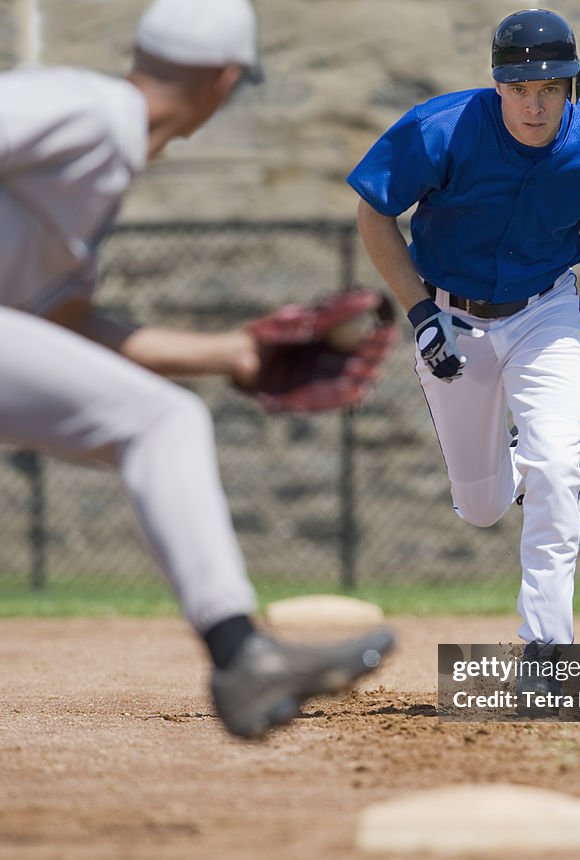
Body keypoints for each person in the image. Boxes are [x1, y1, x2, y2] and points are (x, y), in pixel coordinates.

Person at [0, 0, 394, 740]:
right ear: (223, 81)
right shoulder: (88, 109)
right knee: (163, 421)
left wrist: (233, 353)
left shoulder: (102, 168)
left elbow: (61, 328)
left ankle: (243, 654)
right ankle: (241, 655)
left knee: (154, 416)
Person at [348, 9, 580, 712]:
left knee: (559, 473)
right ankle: (518, 464)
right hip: (451, 316)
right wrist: (420, 311)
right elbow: (374, 213)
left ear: (573, 85)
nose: (533, 102)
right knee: (482, 507)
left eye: (550, 86)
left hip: (545, 314)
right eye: (518, 86)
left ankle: (545, 651)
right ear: (497, 86)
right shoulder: (440, 130)